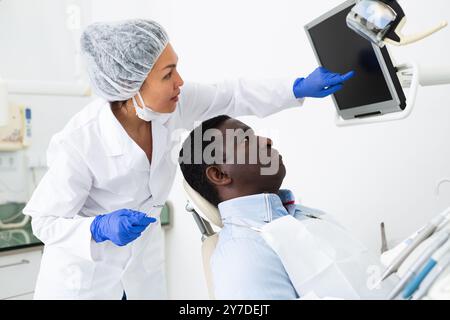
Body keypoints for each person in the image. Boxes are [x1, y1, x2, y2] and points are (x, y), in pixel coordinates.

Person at [23, 19, 354, 299]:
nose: (179, 81)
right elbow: (45, 222)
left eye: (176, 68)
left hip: (139, 273)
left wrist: (296, 88)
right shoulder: (81, 141)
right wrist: (98, 228)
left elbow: (231, 94)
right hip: (83, 279)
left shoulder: (169, 105)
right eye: (168, 75)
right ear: (130, 85)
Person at [178, 115, 393, 299]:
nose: (267, 140)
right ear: (220, 174)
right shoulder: (241, 256)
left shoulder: (298, 215)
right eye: (246, 139)